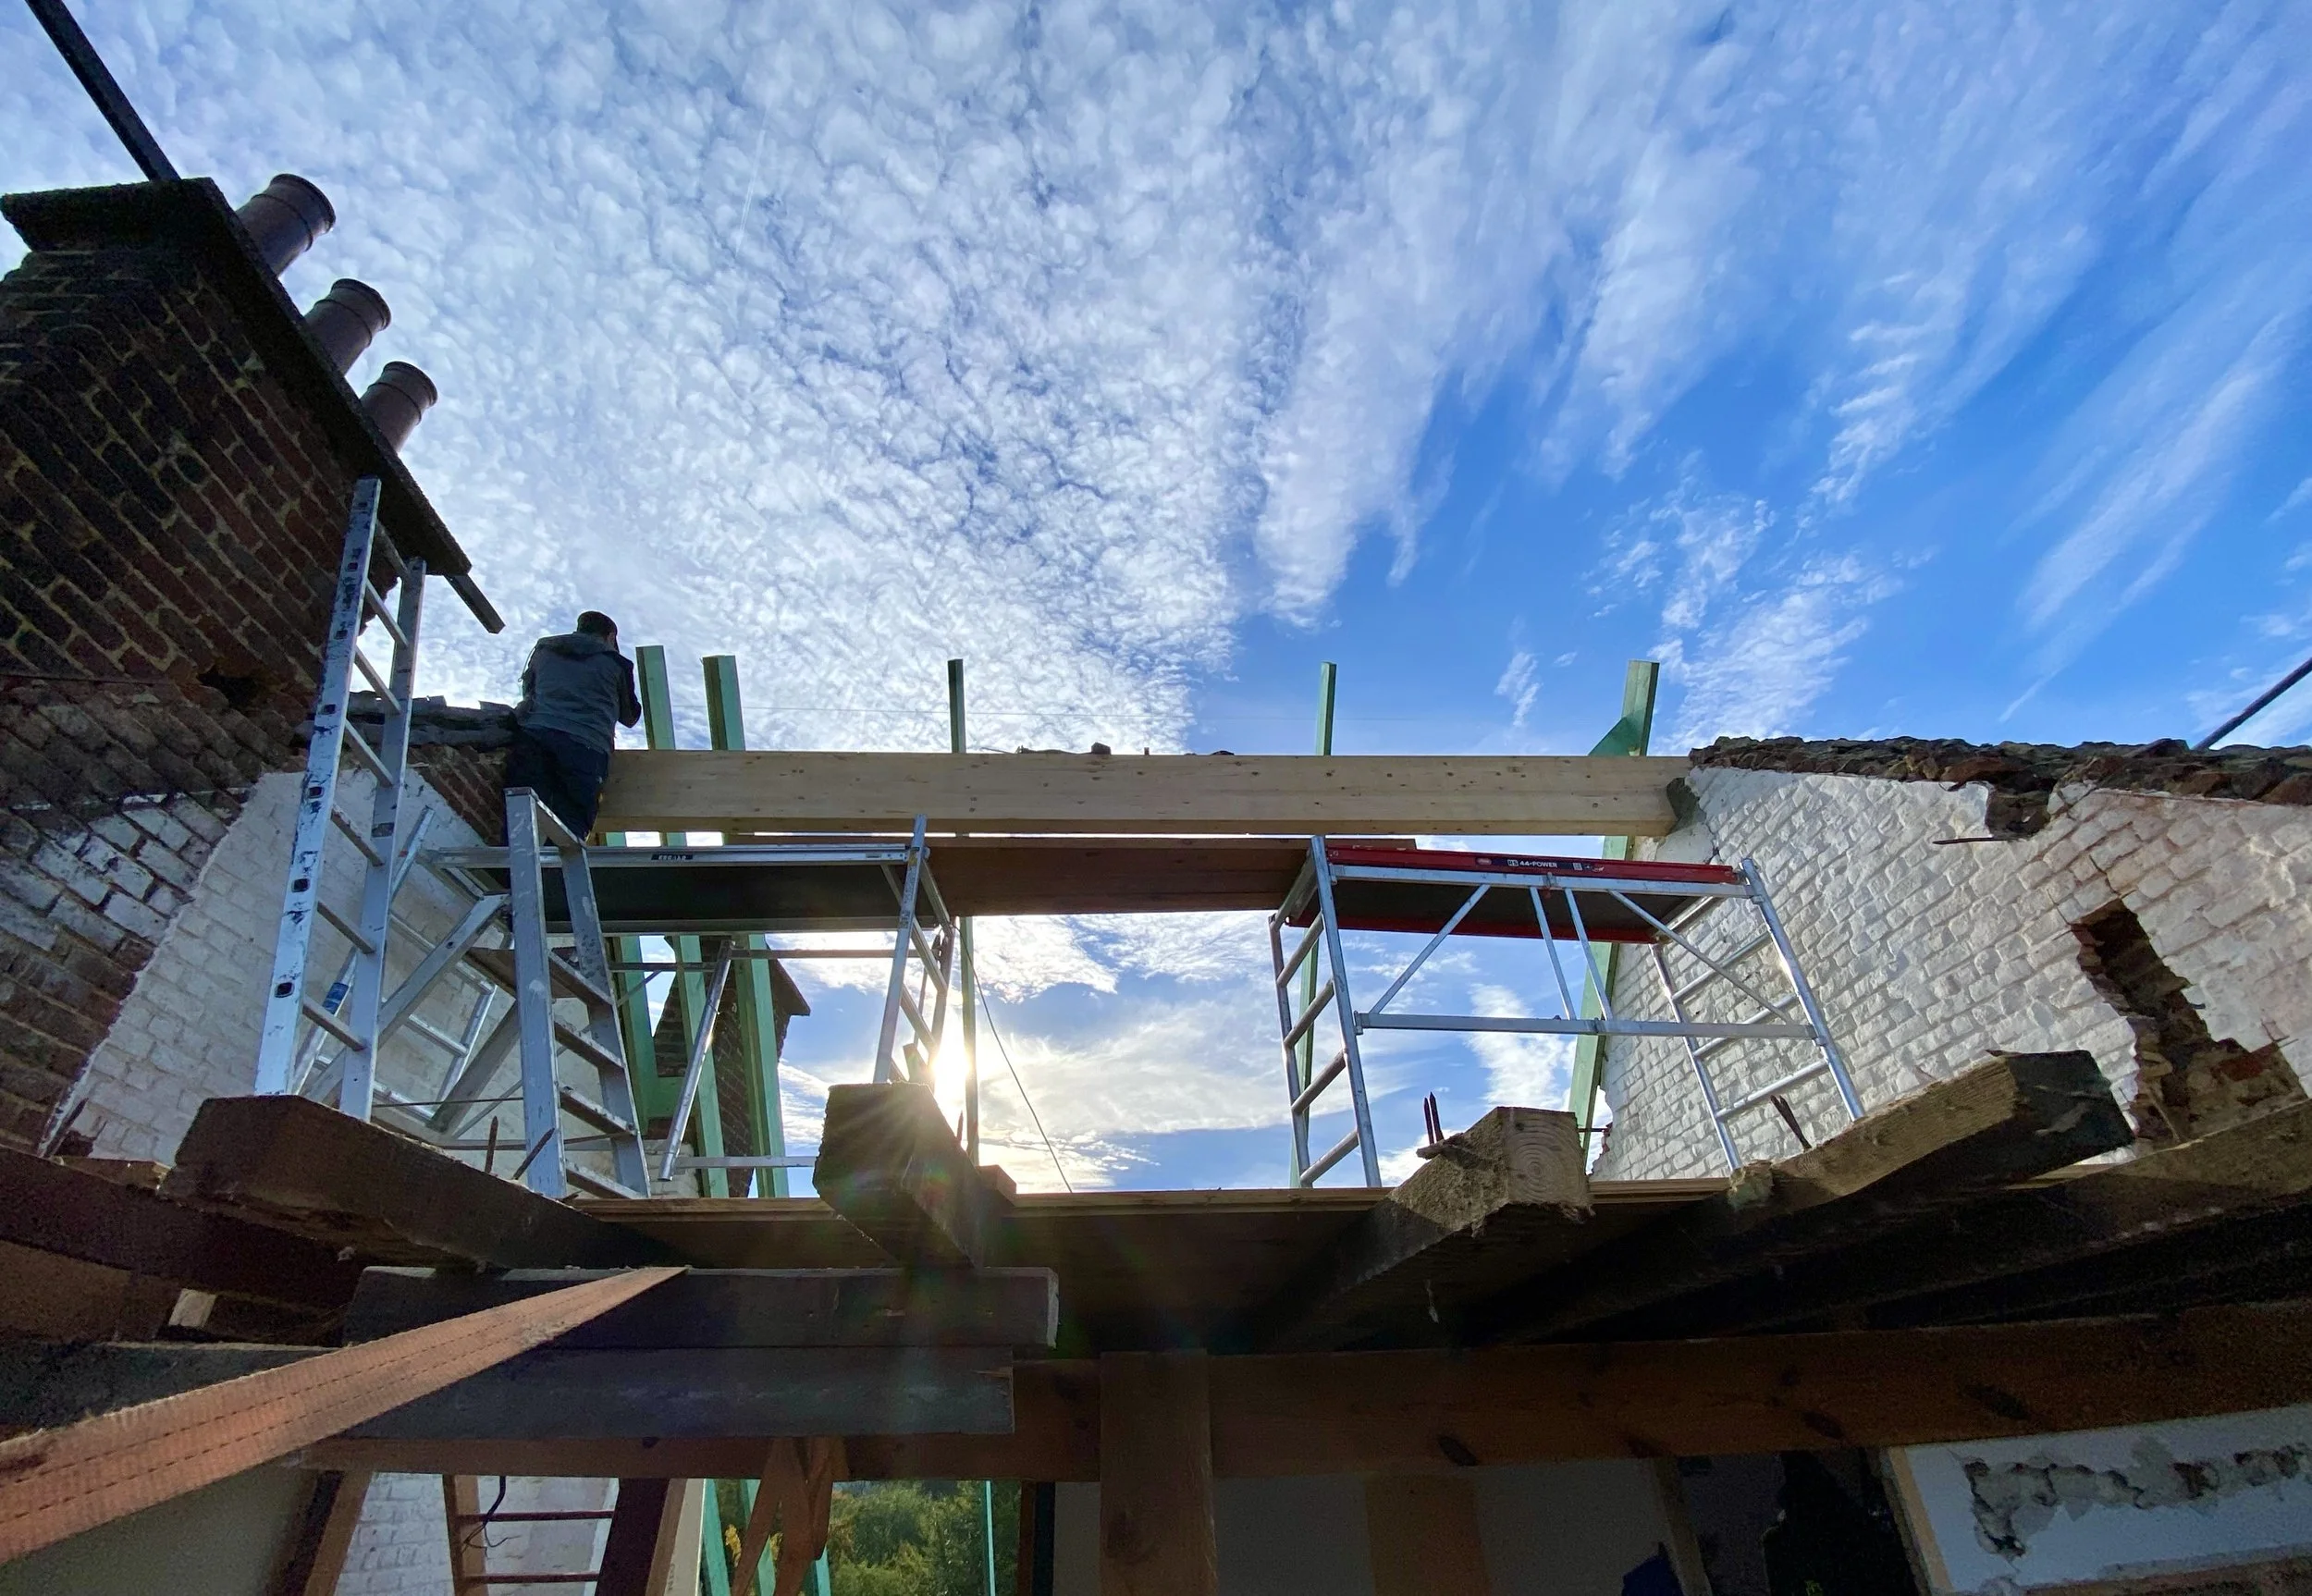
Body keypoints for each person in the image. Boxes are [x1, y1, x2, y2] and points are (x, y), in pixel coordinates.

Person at [505, 611, 642, 837]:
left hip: (536, 736)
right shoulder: (616, 663)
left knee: (521, 813)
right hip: (586, 745)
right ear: (610, 637)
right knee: (572, 821)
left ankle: (511, 857)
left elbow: (529, 693)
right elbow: (630, 717)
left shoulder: (545, 650)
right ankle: (558, 860)